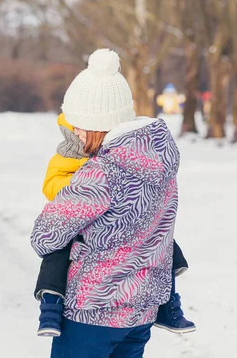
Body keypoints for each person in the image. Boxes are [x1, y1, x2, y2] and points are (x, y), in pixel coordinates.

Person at [31, 48, 186, 357]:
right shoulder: (162, 162)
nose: (74, 132)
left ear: (94, 124)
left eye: (77, 125)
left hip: (94, 309)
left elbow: (45, 236)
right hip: (141, 310)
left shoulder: (100, 173)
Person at [34, 112, 195, 337]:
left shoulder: (110, 156)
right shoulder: (71, 157)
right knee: (57, 251)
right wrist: (78, 187)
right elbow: (51, 190)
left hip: (102, 306)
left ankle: (169, 302)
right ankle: (50, 304)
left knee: (160, 236)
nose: (78, 134)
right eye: (74, 130)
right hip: (80, 214)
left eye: (81, 128)